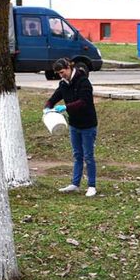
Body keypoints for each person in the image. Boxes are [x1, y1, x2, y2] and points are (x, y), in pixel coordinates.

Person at [45, 58, 99, 197]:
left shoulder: (83, 82)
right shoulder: (63, 83)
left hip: (87, 124)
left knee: (88, 156)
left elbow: (84, 102)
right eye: (58, 74)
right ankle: (75, 184)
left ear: (69, 68)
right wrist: (48, 106)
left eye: (62, 72)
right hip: (74, 124)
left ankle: (92, 185)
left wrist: (65, 107)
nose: (61, 75)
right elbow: (55, 96)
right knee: (77, 155)